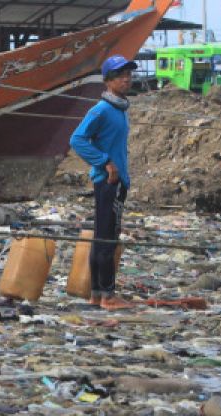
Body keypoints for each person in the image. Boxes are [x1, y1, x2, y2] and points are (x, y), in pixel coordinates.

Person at [70, 54, 136, 310]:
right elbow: (77, 139)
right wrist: (105, 162)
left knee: (103, 236)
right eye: (121, 76)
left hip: (116, 180)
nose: (127, 79)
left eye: (129, 75)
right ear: (108, 81)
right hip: (109, 181)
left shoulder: (119, 109)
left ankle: (97, 294)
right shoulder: (101, 110)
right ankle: (107, 295)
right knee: (108, 237)